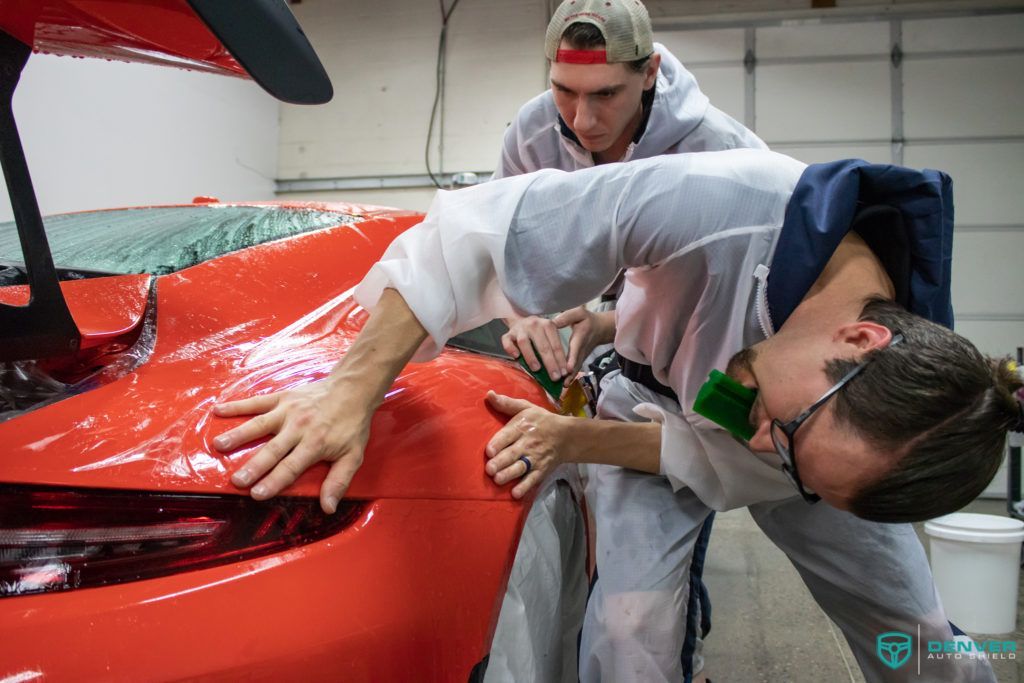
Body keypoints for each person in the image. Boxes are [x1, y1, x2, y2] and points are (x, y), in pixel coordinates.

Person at [212, 149, 1018, 682]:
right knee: (631, 632)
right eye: (787, 429)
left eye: (791, 457)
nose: (760, 440)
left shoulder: (880, 418)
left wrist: (794, 467)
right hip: (645, 400)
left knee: (916, 630)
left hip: (818, 463)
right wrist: (350, 389)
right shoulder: (723, 204)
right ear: (858, 336)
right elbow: (478, 230)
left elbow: (749, 462)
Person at [491, 2, 765, 678]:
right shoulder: (532, 134)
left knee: (900, 609)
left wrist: (611, 322)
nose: (581, 120)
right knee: (632, 629)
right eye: (565, 91)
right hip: (643, 382)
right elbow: (501, 245)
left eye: (606, 93)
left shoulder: (722, 154)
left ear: (651, 72)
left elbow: (728, 307)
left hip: (742, 392)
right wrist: (522, 308)